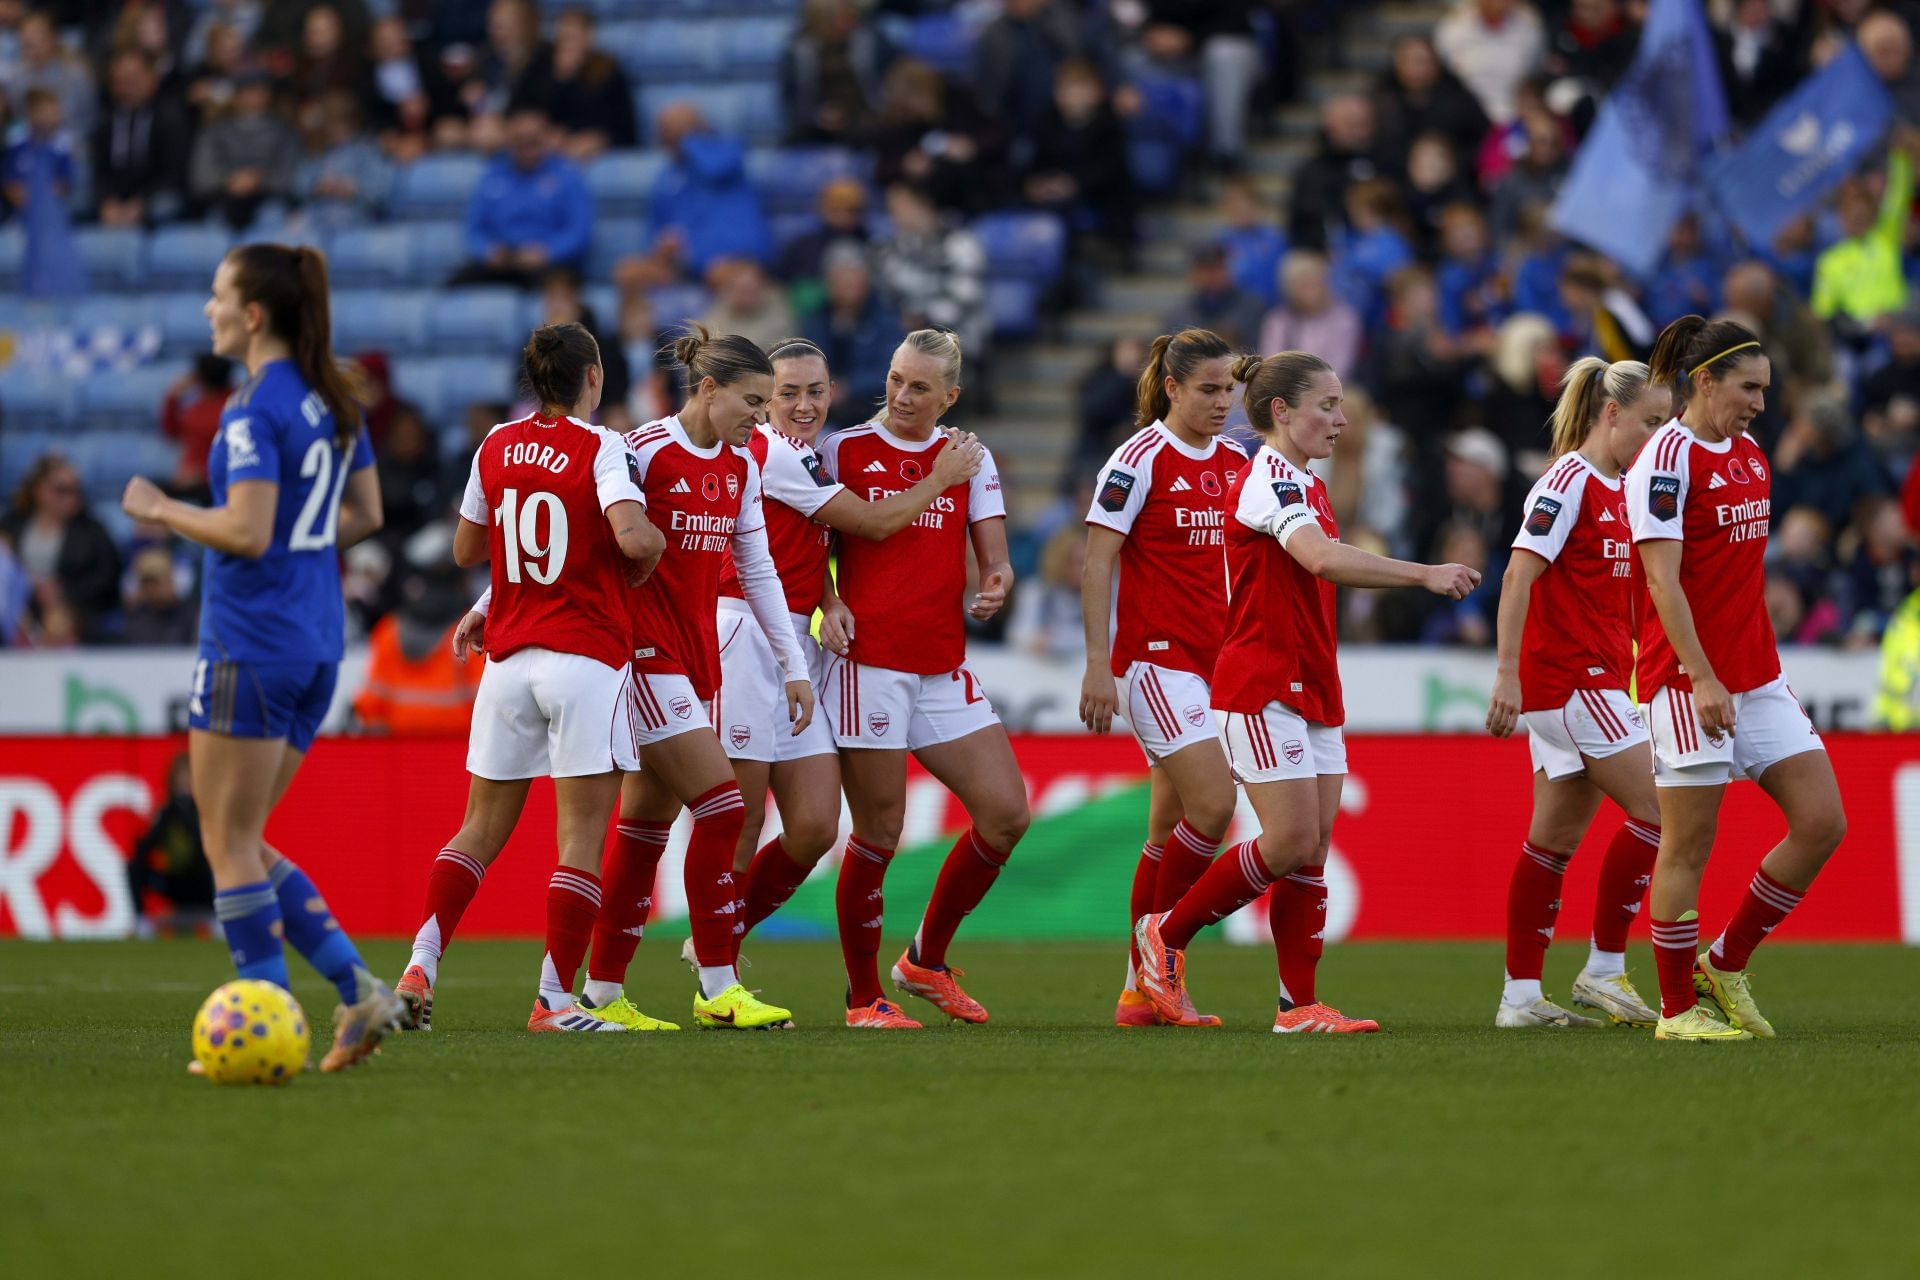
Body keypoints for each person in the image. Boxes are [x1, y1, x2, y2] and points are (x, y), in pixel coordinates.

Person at [118, 244, 404, 1071]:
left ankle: (264, 1023)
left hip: (251, 642)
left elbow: (245, 530)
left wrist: (163, 509)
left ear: (252, 314)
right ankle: (360, 992)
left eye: (217, 296)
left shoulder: (253, 409)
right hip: (315, 642)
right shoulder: (332, 400)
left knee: (227, 843)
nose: (207, 310)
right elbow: (366, 513)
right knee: (242, 836)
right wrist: (297, 546)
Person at [1135, 351, 1480, 1034]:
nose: (1341, 419)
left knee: (1312, 849)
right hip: (1263, 684)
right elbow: (1320, 558)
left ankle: (1298, 1006)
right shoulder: (1267, 479)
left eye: (1341, 404)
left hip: (1314, 681)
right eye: (1327, 405)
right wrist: (1424, 573)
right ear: (1282, 411)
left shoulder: (1306, 483)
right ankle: (1164, 935)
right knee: (1289, 839)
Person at [394, 323, 661, 1034]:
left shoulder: (495, 443)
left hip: (509, 662)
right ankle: (554, 1000)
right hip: (585, 658)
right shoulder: (603, 446)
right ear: (593, 377)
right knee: (580, 839)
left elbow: (464, 548)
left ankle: (421, 964)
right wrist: (653, 543)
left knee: (478, 829)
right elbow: (632, 536)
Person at [703, 337, 983, 990]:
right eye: (788, 392)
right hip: (745, 638)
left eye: (816, 391)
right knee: (739, 821)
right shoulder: (772, 451)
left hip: (796, 644)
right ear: (764, 399)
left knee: (812, 828)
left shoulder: (806, 455)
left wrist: (829, 598)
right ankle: (710, 977)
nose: (804, 405)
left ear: (833, 391)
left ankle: (715, 947)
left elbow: (805, 543)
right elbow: (871, 524)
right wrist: (939, 478)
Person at [561, 327, 817, 1032]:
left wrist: (793, 667)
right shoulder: (642, 451)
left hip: (697, 656)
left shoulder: (740, 467)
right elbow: (580, 534)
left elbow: (758, 570)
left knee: (645, 828)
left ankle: (602, 992)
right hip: (643, 656)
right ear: (707, 389)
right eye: (752, 402)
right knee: (725, 808)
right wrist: (494, 602)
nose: (760, 417)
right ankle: (717, 986)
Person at [1625, 316, 1847, 1042]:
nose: (1759, 403)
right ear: (1705, 380)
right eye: (1748, 388)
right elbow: (1662, 582)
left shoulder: (1750, 454)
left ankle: (1723, 964)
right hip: (1688, 683)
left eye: (1764, 390)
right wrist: (1703, 677)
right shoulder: (1665, 460)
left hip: (1758, 677)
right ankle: (1675, 1010)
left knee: (1822, 822)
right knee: (1687, 846)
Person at [814, 329, 1028, 1027]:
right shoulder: (843, 449)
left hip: (941, 666)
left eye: (919, 387)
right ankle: (861, 998)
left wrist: (996, 583)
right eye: (895, 379)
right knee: (880, 830)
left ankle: (924, 960)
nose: (902, 396)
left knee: (1006, 815)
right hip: (869, 662)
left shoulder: (970, 458)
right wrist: (828, 599)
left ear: (950, 397)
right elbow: (803, 545)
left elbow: (995, 558)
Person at [1484, 357, 1672, 1029]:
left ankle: (1519, 998)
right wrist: (1507, 673)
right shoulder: (1567, 482)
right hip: (1571, 680)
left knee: (1553, 840)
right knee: (1661, 809)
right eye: (1650, 422)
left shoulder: (1623, 488)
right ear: (1611, 413)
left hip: (1592, 679)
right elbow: (1517, 576)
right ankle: (1603, 969)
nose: (1657, 437)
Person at [1079, 329, 1246, 1027]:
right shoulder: (1138, 458)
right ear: (1172, 388)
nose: (1223, 402)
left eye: (1229, 389)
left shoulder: (1237, 461)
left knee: (1166, 825)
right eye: (1208, 389)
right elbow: (1096, 561)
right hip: (1155, 661)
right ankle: (1165, 958)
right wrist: (1097, 663)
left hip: (1216, 665)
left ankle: (1135, 992)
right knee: (1214, 804)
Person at [452, 107, 592, 286]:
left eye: (532, 143)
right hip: (504, 262)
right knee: (455, 288)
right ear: (508, 142)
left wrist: (548, 252)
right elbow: (473, 230)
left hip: (550, 263)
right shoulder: (492, 175)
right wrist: (488, 251)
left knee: (560, 287)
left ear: (546, 140)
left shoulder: (567, 176)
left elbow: (579, 232)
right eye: (519, 143)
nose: (526, 150)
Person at [3, 456, 122, 642]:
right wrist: (28, 586)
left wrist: (63, 590)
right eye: (61, 490)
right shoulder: (12, 525)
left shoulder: (92, 531)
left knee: (57, 621)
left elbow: (106, 577)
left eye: (75, 491)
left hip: (73, 608)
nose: (70, 498)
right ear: (38, 490)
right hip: (19, 603)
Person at [126, 753, 215, 937]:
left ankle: (220, 918)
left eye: (189, 778)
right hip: (173, 882)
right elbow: (144, 849)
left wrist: (188, 814)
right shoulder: (166, 811)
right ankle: (141, 921)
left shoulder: (205, 811)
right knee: (134, 867)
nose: (184, 783)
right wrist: (166, 816)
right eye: (180, 778)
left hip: (201, 882)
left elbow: (206, 848)